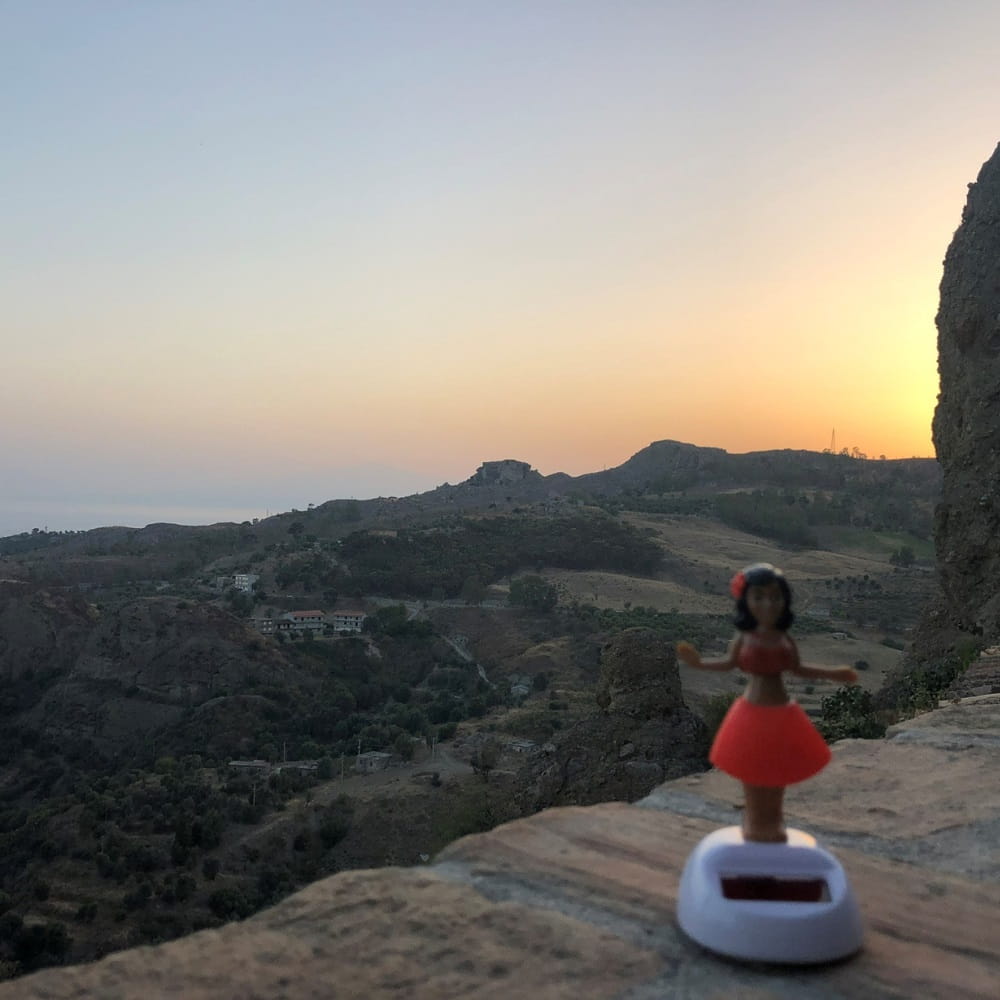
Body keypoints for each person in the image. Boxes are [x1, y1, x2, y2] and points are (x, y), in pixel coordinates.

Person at [676, 563, 858, 842]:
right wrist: (698, 664)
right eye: (759, 597)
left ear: (784, 600)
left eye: (775, 597)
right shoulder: (745, 638)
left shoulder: (784, 639)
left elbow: (799, 669)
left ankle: (772, 821)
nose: (768, 604)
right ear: (746, 601)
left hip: (781, 711)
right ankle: (754, 822)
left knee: (777, 769)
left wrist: (834, 674)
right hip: (752, 710)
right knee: (752, 769)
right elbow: (728, 664)